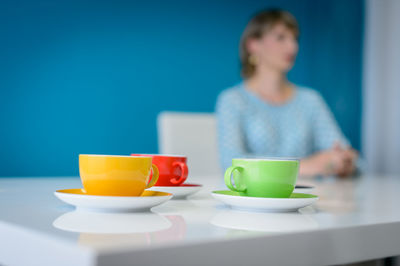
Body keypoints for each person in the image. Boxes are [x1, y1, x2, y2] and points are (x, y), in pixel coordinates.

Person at [216, 9, 358, 177]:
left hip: (309, 198)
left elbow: (344, 152)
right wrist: (309, 166)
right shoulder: (233, 100)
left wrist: (344, 161)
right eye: (281, 37)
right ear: (253, 44)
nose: (293, 47)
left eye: (295, 39)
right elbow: (231, 164)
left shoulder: (310, 100)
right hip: (256, 200)